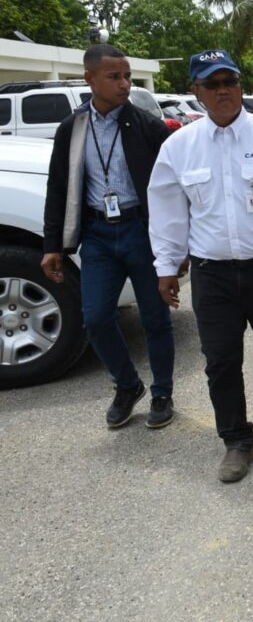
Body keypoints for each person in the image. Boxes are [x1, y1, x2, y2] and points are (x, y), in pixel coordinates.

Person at [149, 50, 253, 483]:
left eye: (230, 82)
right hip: (211, 272)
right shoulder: (179, 147)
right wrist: (166, 267)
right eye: (213, 84)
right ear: (196, 92)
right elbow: (166, 212)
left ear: (239, 85)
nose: (224, 91)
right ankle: (237, 440)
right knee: (219, 360)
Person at [41, 44, 175, 429]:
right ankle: (127, 385)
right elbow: (58, 186)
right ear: (90, 79)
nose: (124, 84)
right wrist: (53, 246)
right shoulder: (72, 128)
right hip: (98, 235)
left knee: (155, 318)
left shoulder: (146, 125)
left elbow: (170, 189)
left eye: (128, 76)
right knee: (96, 318)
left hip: (141, 231)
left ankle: (162, 392)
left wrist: (176, 245)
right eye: (115, 77)